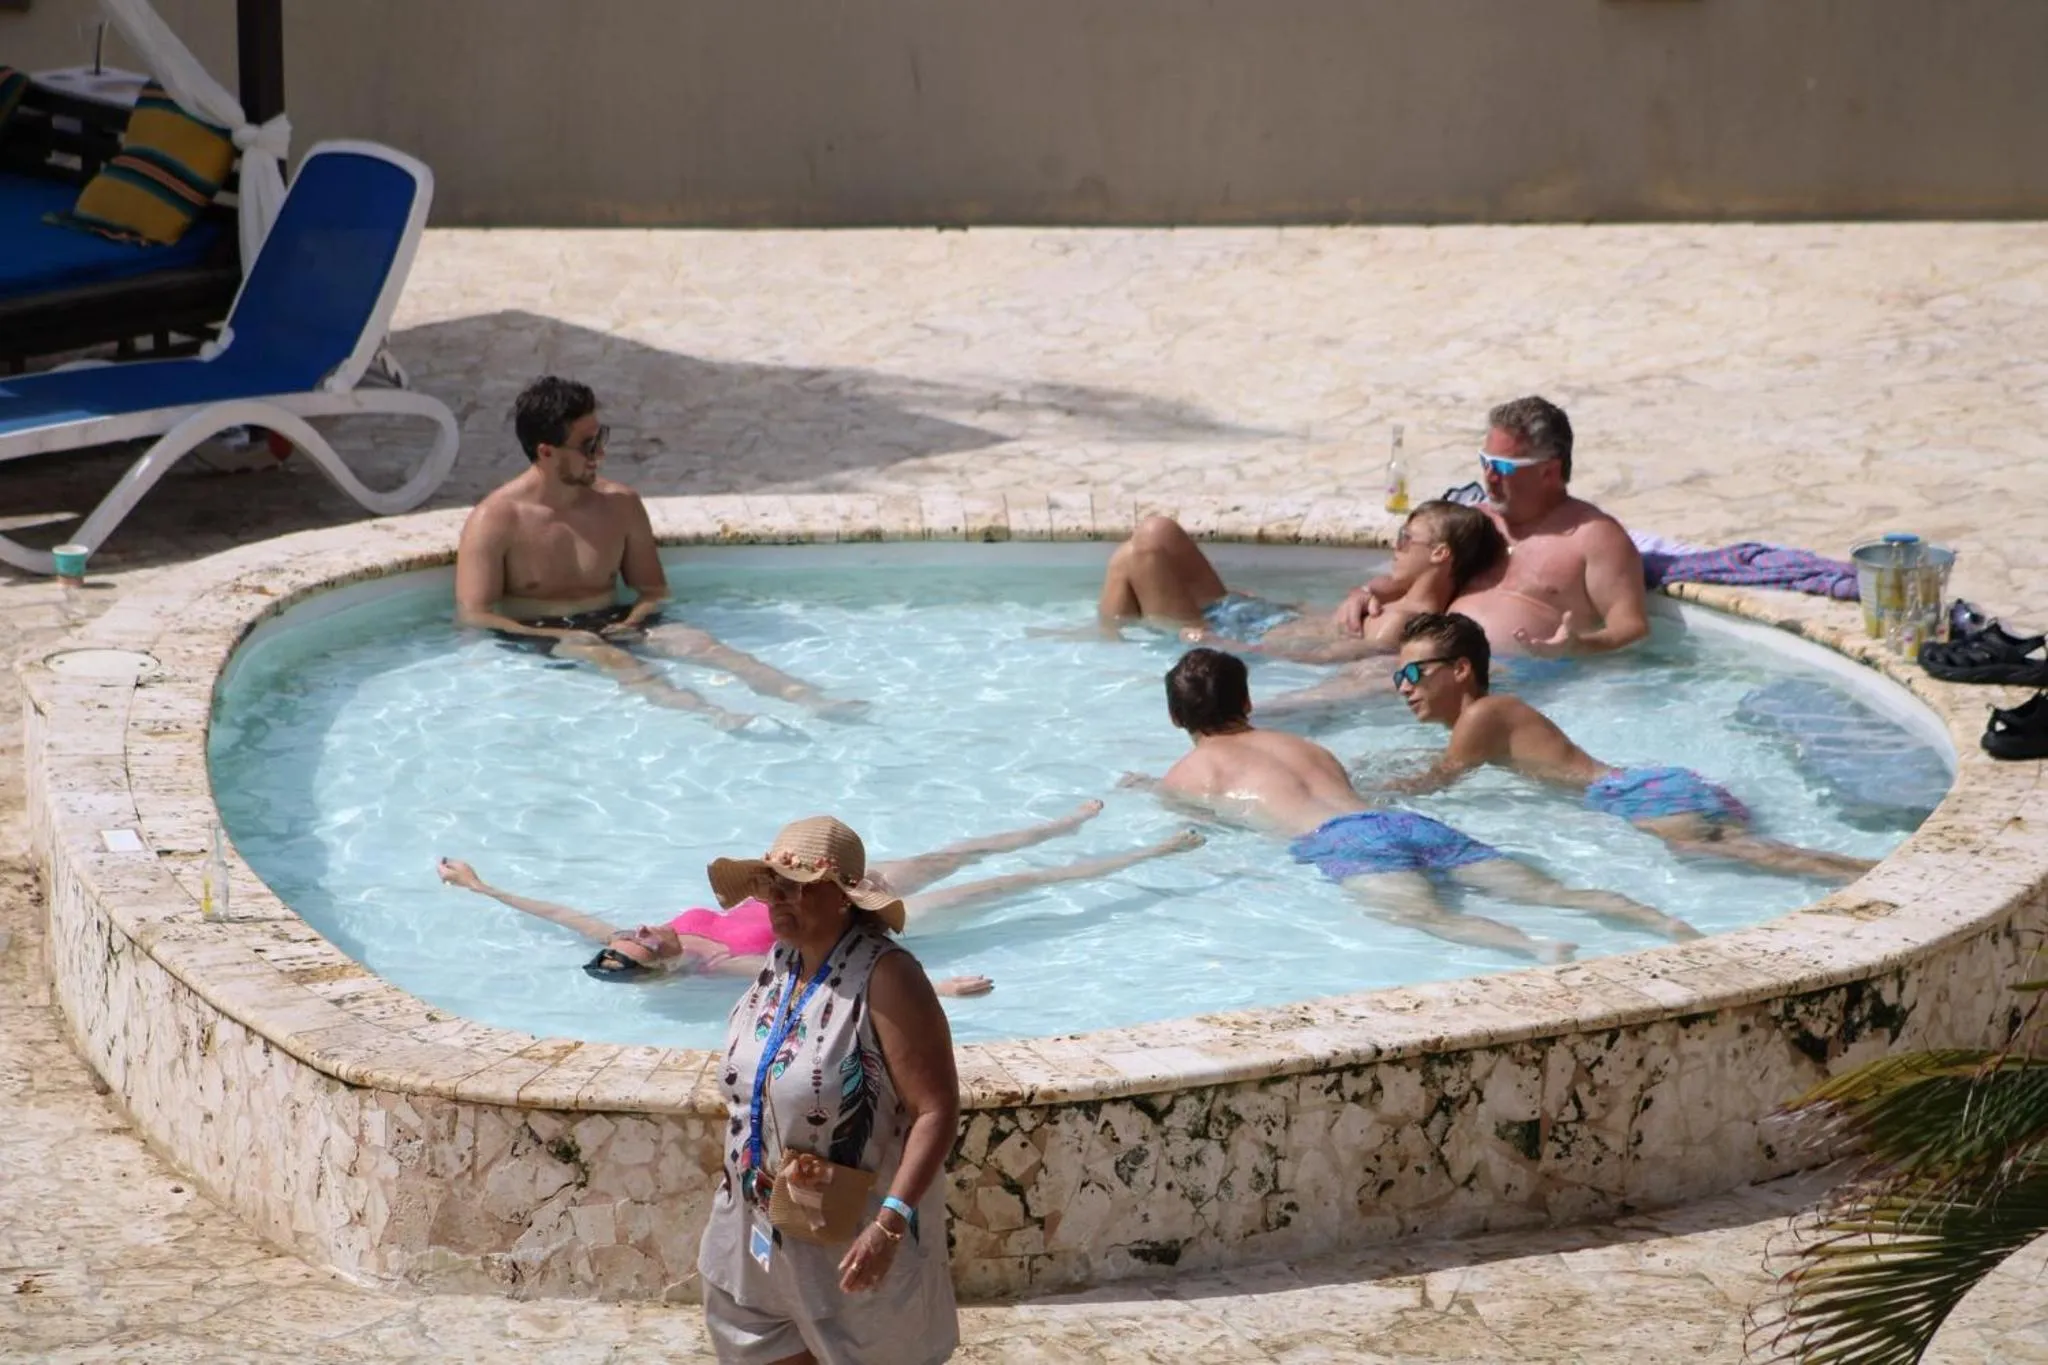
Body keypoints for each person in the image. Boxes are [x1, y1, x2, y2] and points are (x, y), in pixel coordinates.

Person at [1125, 649, 1697, 964]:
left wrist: (1150, 788)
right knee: (1550, 892)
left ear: (1176, 719)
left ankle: (1532, 946)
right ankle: (1658, 919)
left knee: (1429, 917)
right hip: (1402, 823)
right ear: (1248, 701)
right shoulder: (1303, 744)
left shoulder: (1189, 773)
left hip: (1343, 844)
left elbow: (1201, 829)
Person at [696, 816, 962, 1364]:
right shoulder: (780, 964)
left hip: (853, 1244)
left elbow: (935, 1109)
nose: (777, 899)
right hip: (756, 1233)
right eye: (772, 885)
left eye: (795, 886)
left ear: (843, 897)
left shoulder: (888, 977)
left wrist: (890, 1224)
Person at [454, 376, 867, 728]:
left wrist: (635, 619)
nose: (601, 453)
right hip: (544, 632)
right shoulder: (496, 519)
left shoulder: (620, 505)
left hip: (615, 620)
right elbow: (475, 614)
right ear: (546, 452)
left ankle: (810, 698)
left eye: (601, 438)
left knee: (703, 644)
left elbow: (652, 588)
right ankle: (714, 716)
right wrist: (558, 634)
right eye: (588, 444)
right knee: (614, 660)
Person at [435, 801, 1202, 987]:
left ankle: (1062, 821)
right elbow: (824, 978)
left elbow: (562, 914)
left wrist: (481, 885)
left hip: (837, 882)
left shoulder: (662, 928)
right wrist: (938, 985)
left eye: (633, 932)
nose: (642, 927)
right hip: (859, 918)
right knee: (1014, 888)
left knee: (962, 849)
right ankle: (1149, 852)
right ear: (656, 966)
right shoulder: (717, 971)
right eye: (643, 941)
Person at [1382, 612, 1877, 881]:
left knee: (1740, 854)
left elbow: (1439, 781)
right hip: (1649, 786)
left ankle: (1864, 877)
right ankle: (1864, 873)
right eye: (1396, 676)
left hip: (1634, 796)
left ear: (1462, 669)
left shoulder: (1483, 715)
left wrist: (1370, 792)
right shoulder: (1490, 717)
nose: (1402, 688)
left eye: (1412, 673)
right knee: (1745, 850)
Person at [1335, 397, 1650, 659]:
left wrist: (1579, 647)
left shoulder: (1594, 537)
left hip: (1526, 682)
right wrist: (1363, 593)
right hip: (1436, 668)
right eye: (1485, 461)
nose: (1489, 476)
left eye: (1502, 467)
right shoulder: (1477, 520)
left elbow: (1631, 627)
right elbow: (1412, 578)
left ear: (1549, 471)